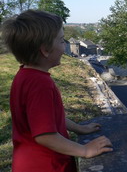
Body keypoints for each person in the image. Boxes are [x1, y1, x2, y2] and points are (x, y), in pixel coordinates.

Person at [1, 10, 113, 172]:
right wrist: (84, 150)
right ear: (45, 50)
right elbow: (44, 136)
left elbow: (48, 116)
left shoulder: (25, 75)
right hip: (45, 165)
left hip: (28, 161)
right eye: (61, 41)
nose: (66, 45)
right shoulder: (40, 84)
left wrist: (79, 128)